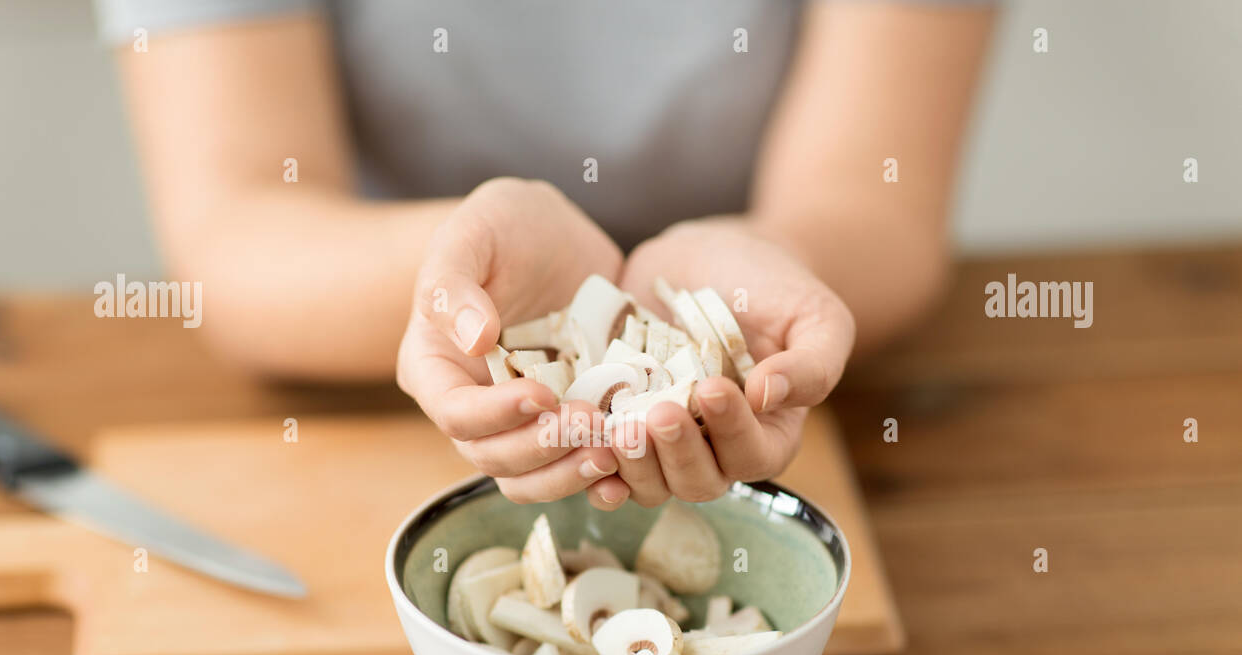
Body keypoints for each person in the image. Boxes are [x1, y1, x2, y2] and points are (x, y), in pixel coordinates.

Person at [99, 0, 994, 508]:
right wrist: (460, 276)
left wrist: (774, 261)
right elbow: (240, 238)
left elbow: (880, 210)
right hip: (378, 409)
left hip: (781, 385)